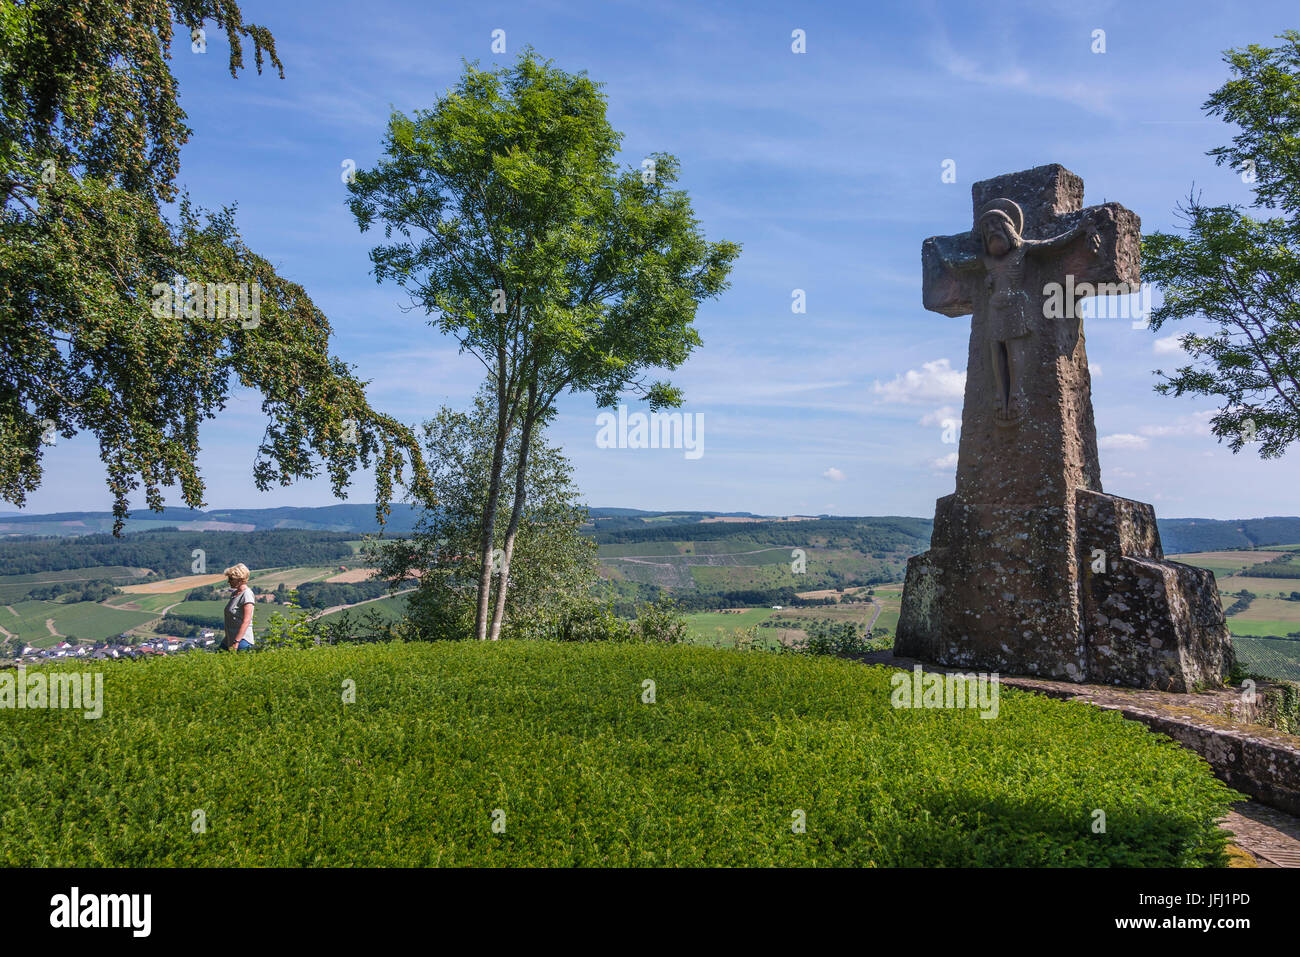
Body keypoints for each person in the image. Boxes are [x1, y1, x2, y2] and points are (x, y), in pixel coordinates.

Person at [221, 563, 257, 651]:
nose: (228, 581)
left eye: (231, 579)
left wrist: (236, 642)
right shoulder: (234, 594)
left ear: (239, 579)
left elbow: (246, 621)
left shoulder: (247, 594)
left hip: (241, 641)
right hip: (229, 639)